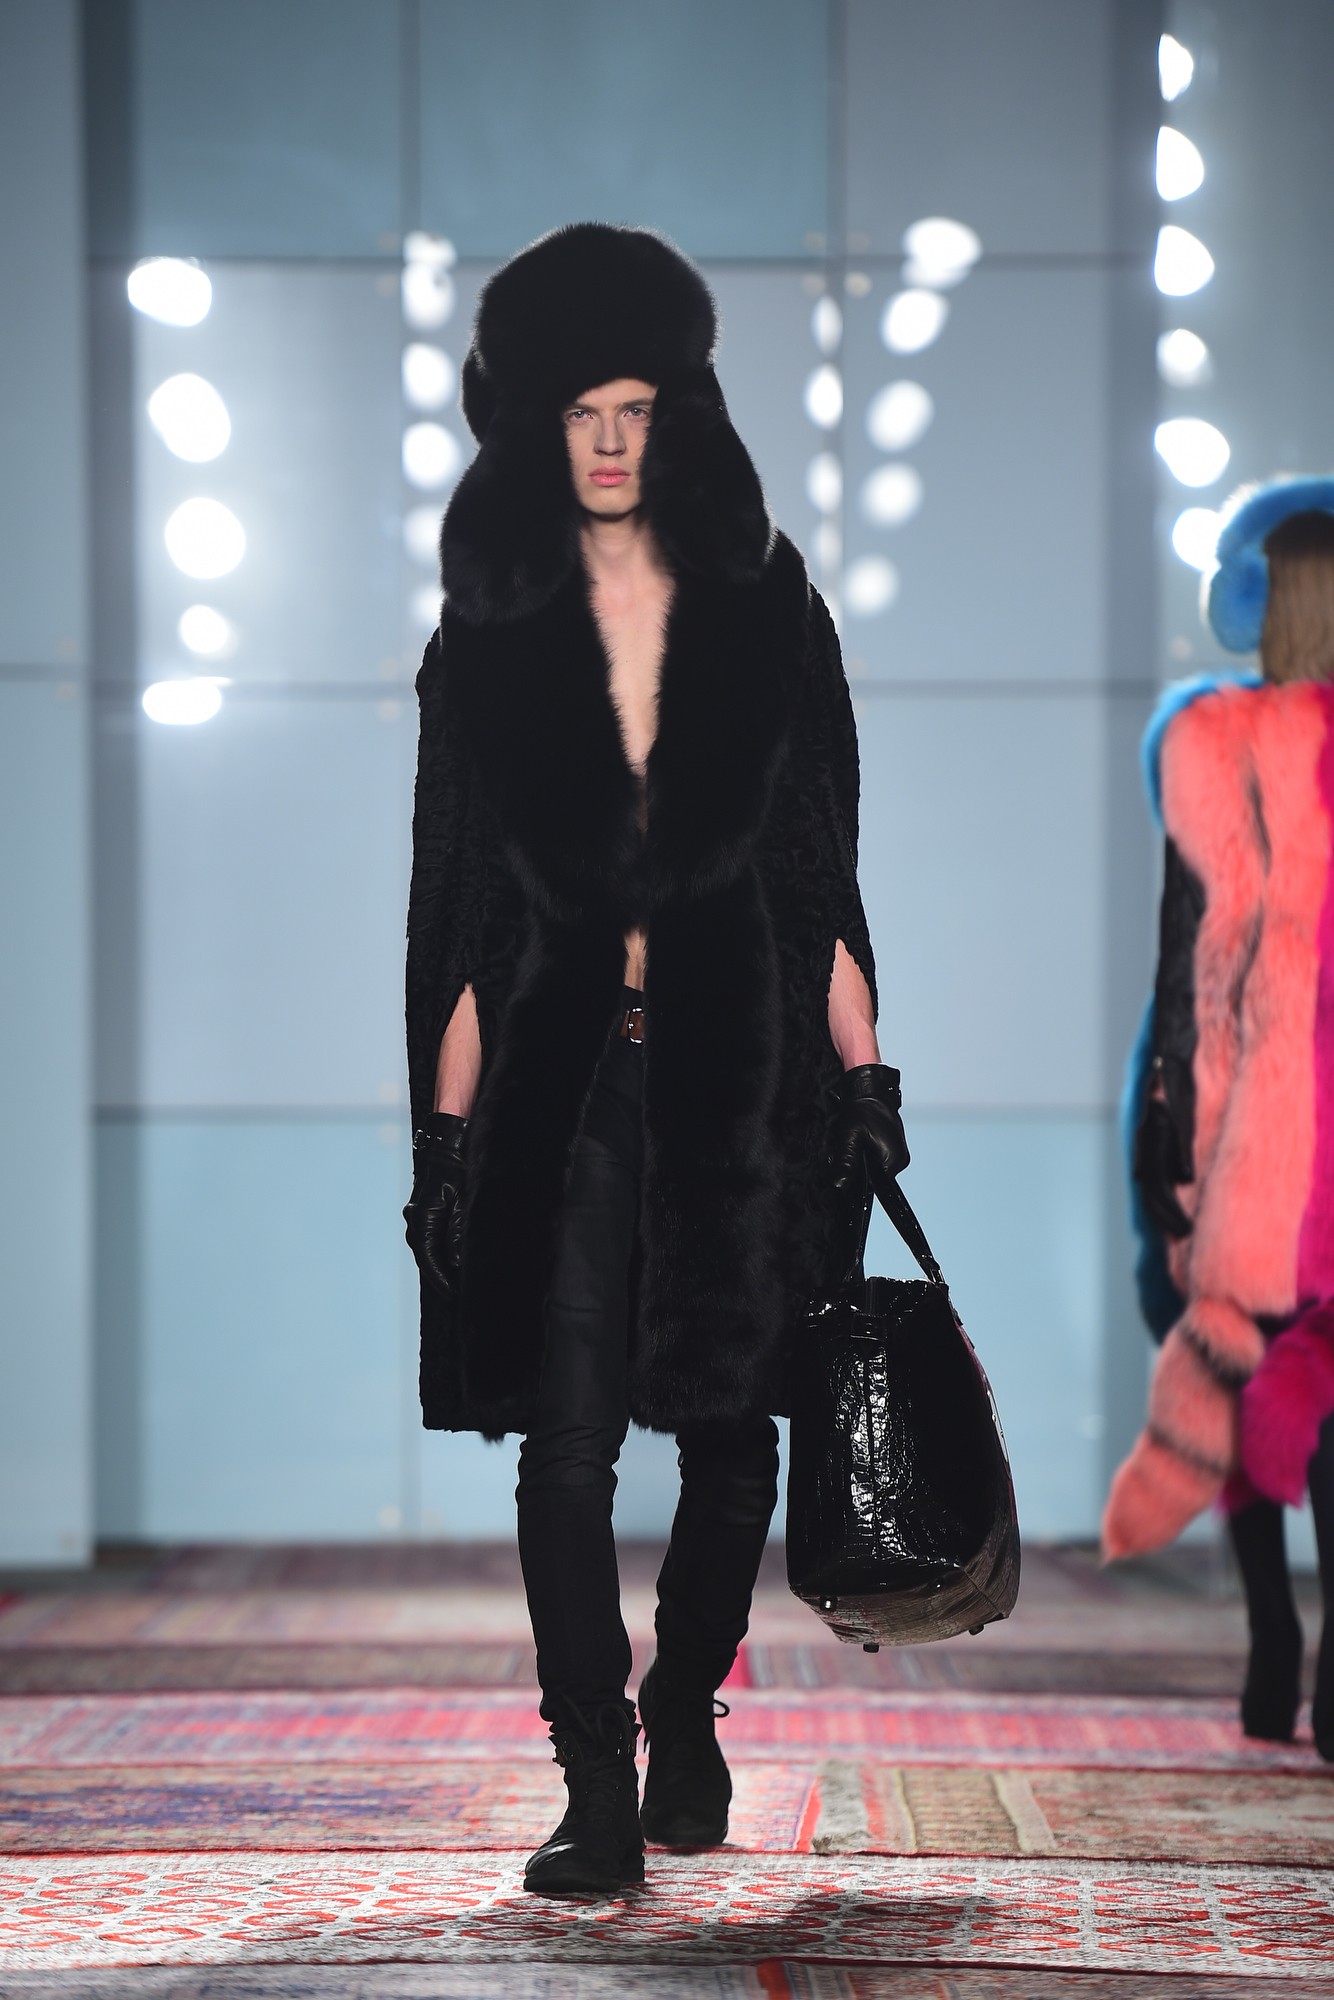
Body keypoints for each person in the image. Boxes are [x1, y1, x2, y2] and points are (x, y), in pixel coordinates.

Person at [401, 223, 909, 1895]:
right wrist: (448, 1147)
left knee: (730, 1437)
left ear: (677, 410)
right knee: (565, 1448)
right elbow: (462, 910)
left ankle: (682, 1704)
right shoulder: (489, 628)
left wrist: (863, 1079)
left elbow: (819, 873)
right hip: (560, 1083)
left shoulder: (765, 605)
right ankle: (593, 1780)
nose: (610, 441)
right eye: (580, 411)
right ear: (532, 419)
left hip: (734, 1070)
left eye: (635, 408)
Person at [1105, 476, 1334, 1757]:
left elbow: (1185, 964)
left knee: (1237, 1351)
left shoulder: (1209, 741)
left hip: (1242, 1111)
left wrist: (1166, 1147)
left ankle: (1269, 1639)